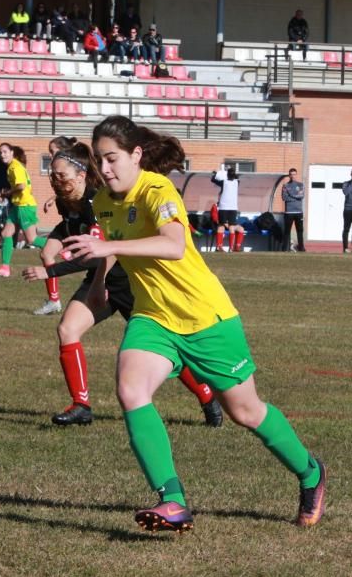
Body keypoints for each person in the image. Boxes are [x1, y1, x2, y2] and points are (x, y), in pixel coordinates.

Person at [62, 115, 326, 533]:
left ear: (136, 155)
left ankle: (311, 473)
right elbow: (108, 246)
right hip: (154, 317)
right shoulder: (103, 202)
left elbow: (173, 244)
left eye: (112, 158)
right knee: (131, 388)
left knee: (246, 412)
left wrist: (106, 245)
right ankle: (173, 501)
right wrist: (97, 283)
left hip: (206, 318)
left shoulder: (157, 189)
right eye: (99, 161)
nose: (105, 169)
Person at [23, 140, 223, 429]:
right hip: (100, 281)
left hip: (130, 283)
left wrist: (50, 271)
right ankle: (81, 405)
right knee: (67, 329)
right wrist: (51, 247)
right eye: (52, 174)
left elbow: (100, 253)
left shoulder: (98, 202)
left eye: (60, 174)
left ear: (81, 175)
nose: (55, 180)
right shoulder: (71, 202)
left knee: (168, 351)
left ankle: (207, 396)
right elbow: (69, 227)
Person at [34, 135, 78, 315]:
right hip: (67, 221)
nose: (51, 155)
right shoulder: (57, 170)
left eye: (53, 152)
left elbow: (78, 188)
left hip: (81, 221)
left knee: (96, 261)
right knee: (46, 254)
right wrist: (53, 198)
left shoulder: (76, 168)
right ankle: (54, 301)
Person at [0, 143, 47, 277]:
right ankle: (5, 268)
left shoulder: (15, 167)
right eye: (0, 152)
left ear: (12, 152)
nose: (2, 155)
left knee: (32, 239)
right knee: (6, 233)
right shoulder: (14, 166)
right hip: (18, 205)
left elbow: (21, 186)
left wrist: (8, 192)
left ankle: (62, 249)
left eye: (5, 152)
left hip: (24, 206)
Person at [211, 166, 244, 252]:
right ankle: (232, 248)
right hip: (233, 207)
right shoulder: (237, 182)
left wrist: (216, 173)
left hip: (223, 207)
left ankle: (219, 246)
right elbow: (236, 177)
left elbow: (213, 179)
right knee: (232, 227)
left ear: (227, 175)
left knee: (221, 225)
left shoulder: (224, 182)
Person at [281, 168, 306, 252]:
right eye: (291, 174)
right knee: (287, 231)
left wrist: (291, 194)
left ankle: (301, 248)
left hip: (299, 212)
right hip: (289, 212)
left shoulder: (300, 185)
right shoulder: (285, 186)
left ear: (296, 175)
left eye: (294, 174)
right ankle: (285, 249)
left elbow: (301, 196)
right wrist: (295, 196)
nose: (293, 176)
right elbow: (284, 197)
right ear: (289, 175)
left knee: (300, 231)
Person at [342, 167, 352, 253]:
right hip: (348, 209)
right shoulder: (346, 183)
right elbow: (346, 192)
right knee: (346, 229)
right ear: (351, 174)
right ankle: (345, 248)